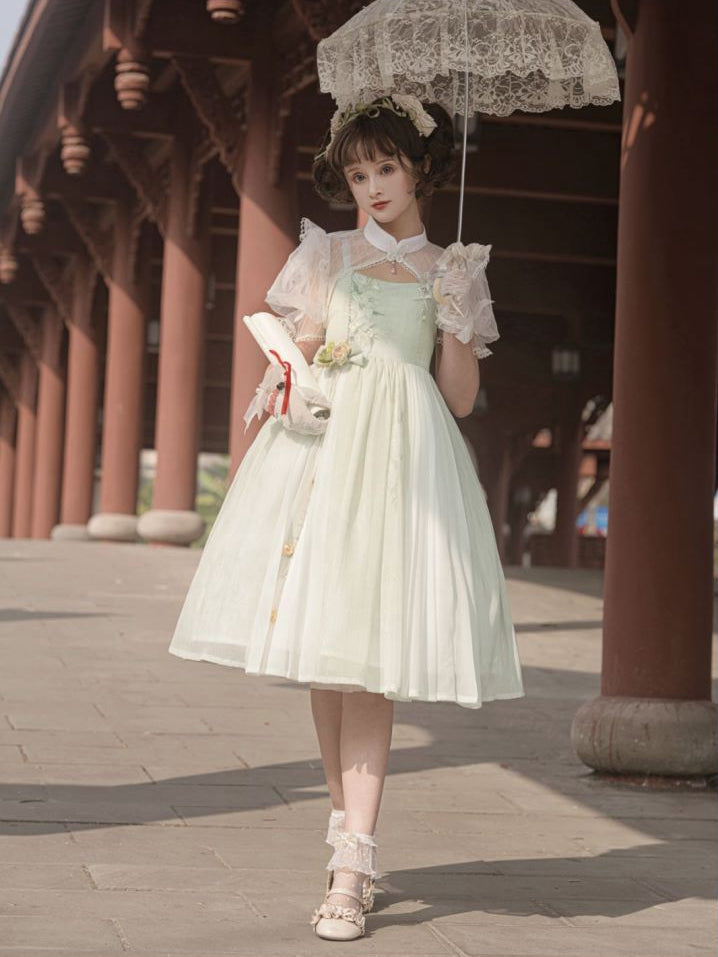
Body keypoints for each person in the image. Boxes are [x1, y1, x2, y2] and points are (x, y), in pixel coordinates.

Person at [167, 93, 525, 941]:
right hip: (328, 459)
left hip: (406, 465)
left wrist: (452, 321)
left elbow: (462, 400)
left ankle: (353, 860)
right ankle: (345, 832)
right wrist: (296, 379)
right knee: (332, 661)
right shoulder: (326, 254)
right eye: (358, 172)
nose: (370, 186)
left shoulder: (453, 267)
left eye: (386, 168)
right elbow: (302, 354)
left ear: (421, 169)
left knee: (368, 662)